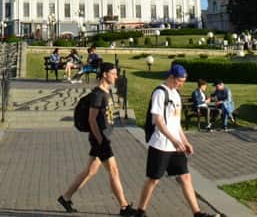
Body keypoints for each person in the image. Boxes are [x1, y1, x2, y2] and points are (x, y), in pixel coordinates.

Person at [131, 64, 220, 217]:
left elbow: (176, 123)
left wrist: (185, 141)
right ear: (171, 77)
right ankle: (140, 211)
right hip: (160, 144)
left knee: (185, 176)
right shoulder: (160, 92)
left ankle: (197, 213)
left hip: (175, 145)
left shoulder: (176, 94)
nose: (182, 83)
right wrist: (172, 139)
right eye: (179, 80)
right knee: (153, 179)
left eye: (183, 81)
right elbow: (158, 120)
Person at [57, 63, 135, 216]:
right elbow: (92, 120)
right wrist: (100, 141)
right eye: (113, 73)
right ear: (105, 74)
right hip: (100, 139)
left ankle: (65, 197)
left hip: (101, 138)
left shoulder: (106, 92)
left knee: (90, 171)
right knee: (114, 170)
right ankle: (124, 206)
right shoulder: (98, 95)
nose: (116, 76)